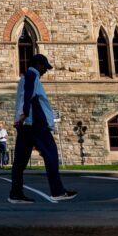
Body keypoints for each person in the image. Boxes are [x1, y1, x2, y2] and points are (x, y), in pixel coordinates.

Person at [9, 54, 78, 204]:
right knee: (51, 154)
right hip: (36, 124)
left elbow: (23, 96)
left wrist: (21, 117)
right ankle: (58, 191)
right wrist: (25, 113)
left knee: (20, 162)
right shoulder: (32, 75)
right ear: (38, 64)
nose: (45, 70)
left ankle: (15, 193)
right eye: (44, 67)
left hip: (26, 125)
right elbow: (28, 96)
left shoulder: (25, 77)